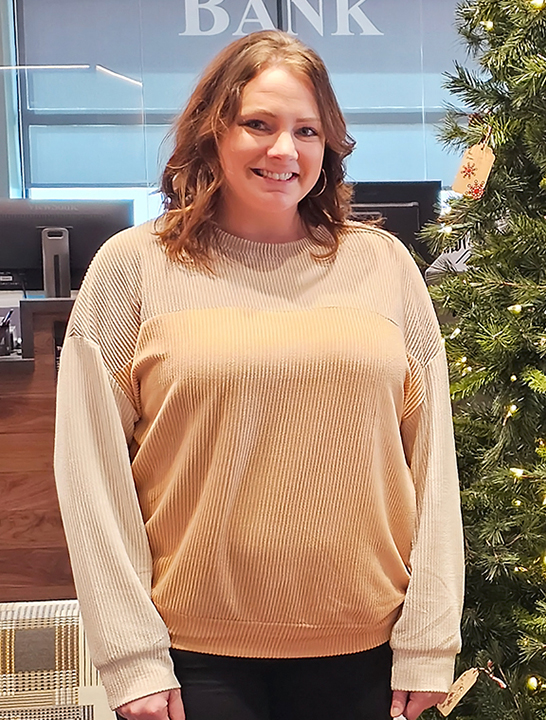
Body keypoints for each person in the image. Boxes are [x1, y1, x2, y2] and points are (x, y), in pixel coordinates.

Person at [53, 30, 463, 720]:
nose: (285, 151)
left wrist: (429, 641)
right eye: (258, 125)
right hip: (192, 658)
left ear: (328, 144)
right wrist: (131, 660)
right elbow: (91, 476)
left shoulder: (384, 264)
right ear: (211, 132)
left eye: (307, 130)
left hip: (369, 651)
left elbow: (432, 465)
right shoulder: (133, 268)